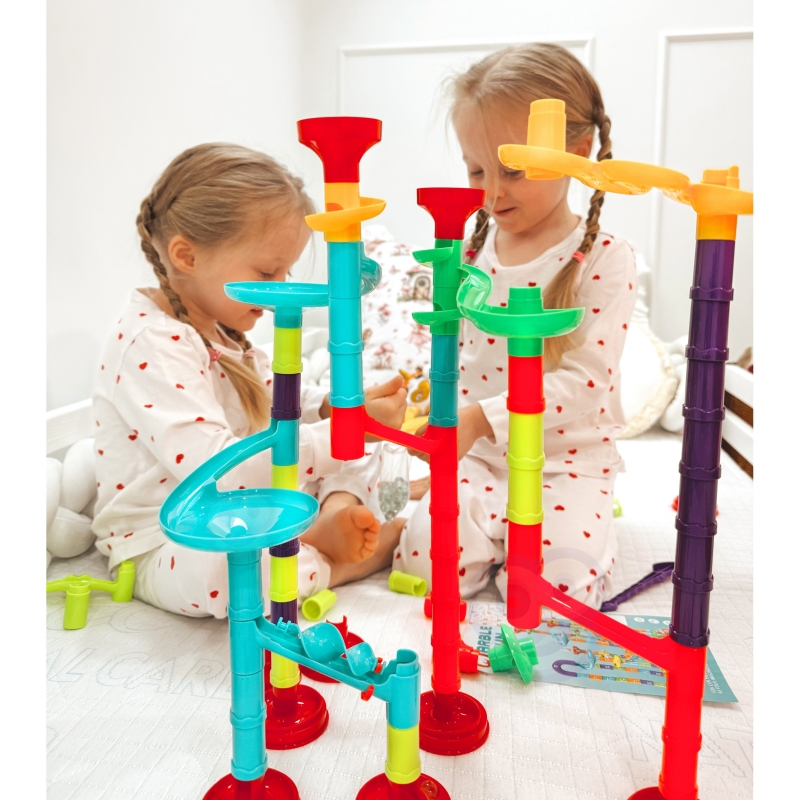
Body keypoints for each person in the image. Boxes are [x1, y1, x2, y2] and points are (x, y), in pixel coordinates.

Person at [92, 143, 407, 618]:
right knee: (226, 573)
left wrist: (333, 410)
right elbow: (220, 469)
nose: (280, 287)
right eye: (266, 272)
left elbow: (277, 397)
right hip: (166, 536)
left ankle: (328, 519)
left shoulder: (223, 330)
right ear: (186, 256)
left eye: (286, 271)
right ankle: (335, 561)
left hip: (242, 507)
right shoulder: (149, 342)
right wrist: (342, 436)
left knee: (361, 453)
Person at [395, 43, 638, 609]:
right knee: (425, 565)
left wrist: (481, 418)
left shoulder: (605, 258)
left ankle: (592, 522)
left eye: (512, 170)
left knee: (554, 596)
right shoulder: (469, 252)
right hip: (482, 459)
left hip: (565, 465)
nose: (490, 191)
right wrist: (443, 424)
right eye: (476, 170)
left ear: (577, 152)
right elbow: (457, 358)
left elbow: (585, 382)